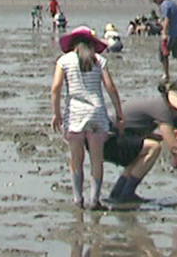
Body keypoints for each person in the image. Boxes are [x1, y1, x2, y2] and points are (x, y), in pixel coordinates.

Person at [49, 26, 126, 209]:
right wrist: (119, 113)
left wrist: (56, 113)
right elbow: (111, 88)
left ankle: (77, 199)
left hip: (75, 115)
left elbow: (56, 88)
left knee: (76, 159)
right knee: (96, 159)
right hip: (97, 114)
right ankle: (95, 199)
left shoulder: (64, 61)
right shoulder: (99, 61)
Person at [102, 80, 177, 205]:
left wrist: (153, 135)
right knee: (154, 148)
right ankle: (127, 193)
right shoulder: (163, 110)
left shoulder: (159, 104)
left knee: (142, 153)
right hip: (108, 140)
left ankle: (118, 193)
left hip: (105, 138)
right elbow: (175, 148)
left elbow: (132, 128)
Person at [148, 0, 177, 82]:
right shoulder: (172, 4)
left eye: (155, 0)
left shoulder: (164, 5)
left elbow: (167, 20)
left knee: (163, 54)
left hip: (170, 34)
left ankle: (166, 74)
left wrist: (164, 34)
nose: (155, 2)